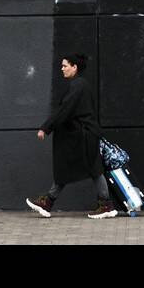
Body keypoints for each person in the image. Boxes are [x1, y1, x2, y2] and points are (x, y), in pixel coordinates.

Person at [26, 53, 114, 219]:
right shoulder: (80, 85)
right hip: (84, 134)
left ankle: (106, 205)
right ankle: (48, 202)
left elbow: (64, 109)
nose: (62, 68)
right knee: (74, 167)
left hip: (84, 135)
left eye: (65, 65)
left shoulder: (78, 85)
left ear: (75, 67)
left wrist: (46, 128)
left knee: (93, 169)